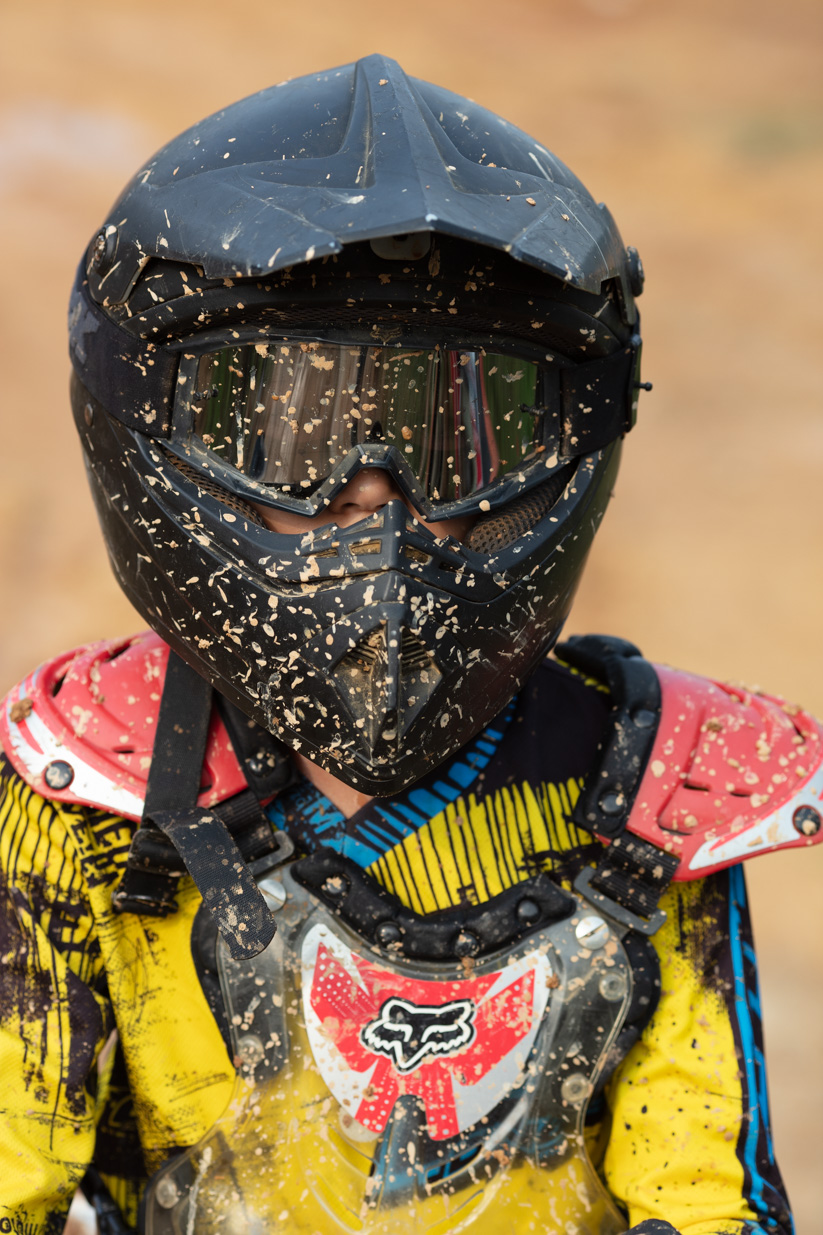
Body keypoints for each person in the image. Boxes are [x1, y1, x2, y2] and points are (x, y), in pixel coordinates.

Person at [0, 53, 818, 1235]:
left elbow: (703, 1195)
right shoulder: (88, 785)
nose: (374, 509)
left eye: (459, 437)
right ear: (143, 419)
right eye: (287, 436)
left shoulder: (654, 790)